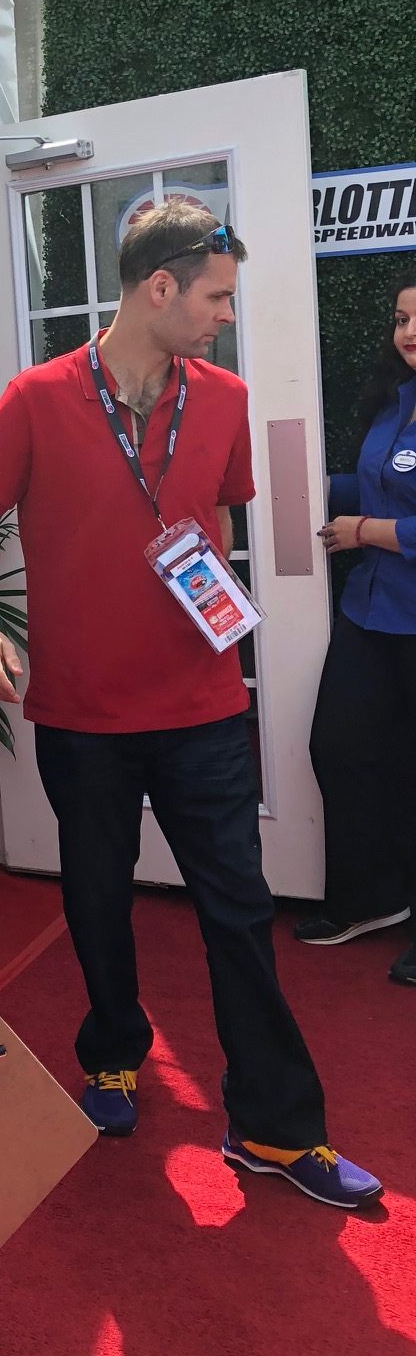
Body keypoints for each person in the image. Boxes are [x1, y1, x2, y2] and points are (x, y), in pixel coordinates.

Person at [0, 200, 381, 1209]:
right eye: (216, 297)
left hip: (200, 709)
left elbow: (219, 513)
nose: (225, 317)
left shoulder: (227, 398)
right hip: (81, 716)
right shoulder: (35, 397)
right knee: (96, 899)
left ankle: (275, 1129)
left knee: (239, 913)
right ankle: (112, 1055)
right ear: (160, 289)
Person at [298, 265, 416, 985]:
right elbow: (367, 481)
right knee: (339, 745)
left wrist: (365, 531)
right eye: (402, 319)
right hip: (370, 613)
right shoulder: (394, 402)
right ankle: (373, 898)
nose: (409, 333)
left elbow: (374, 511)